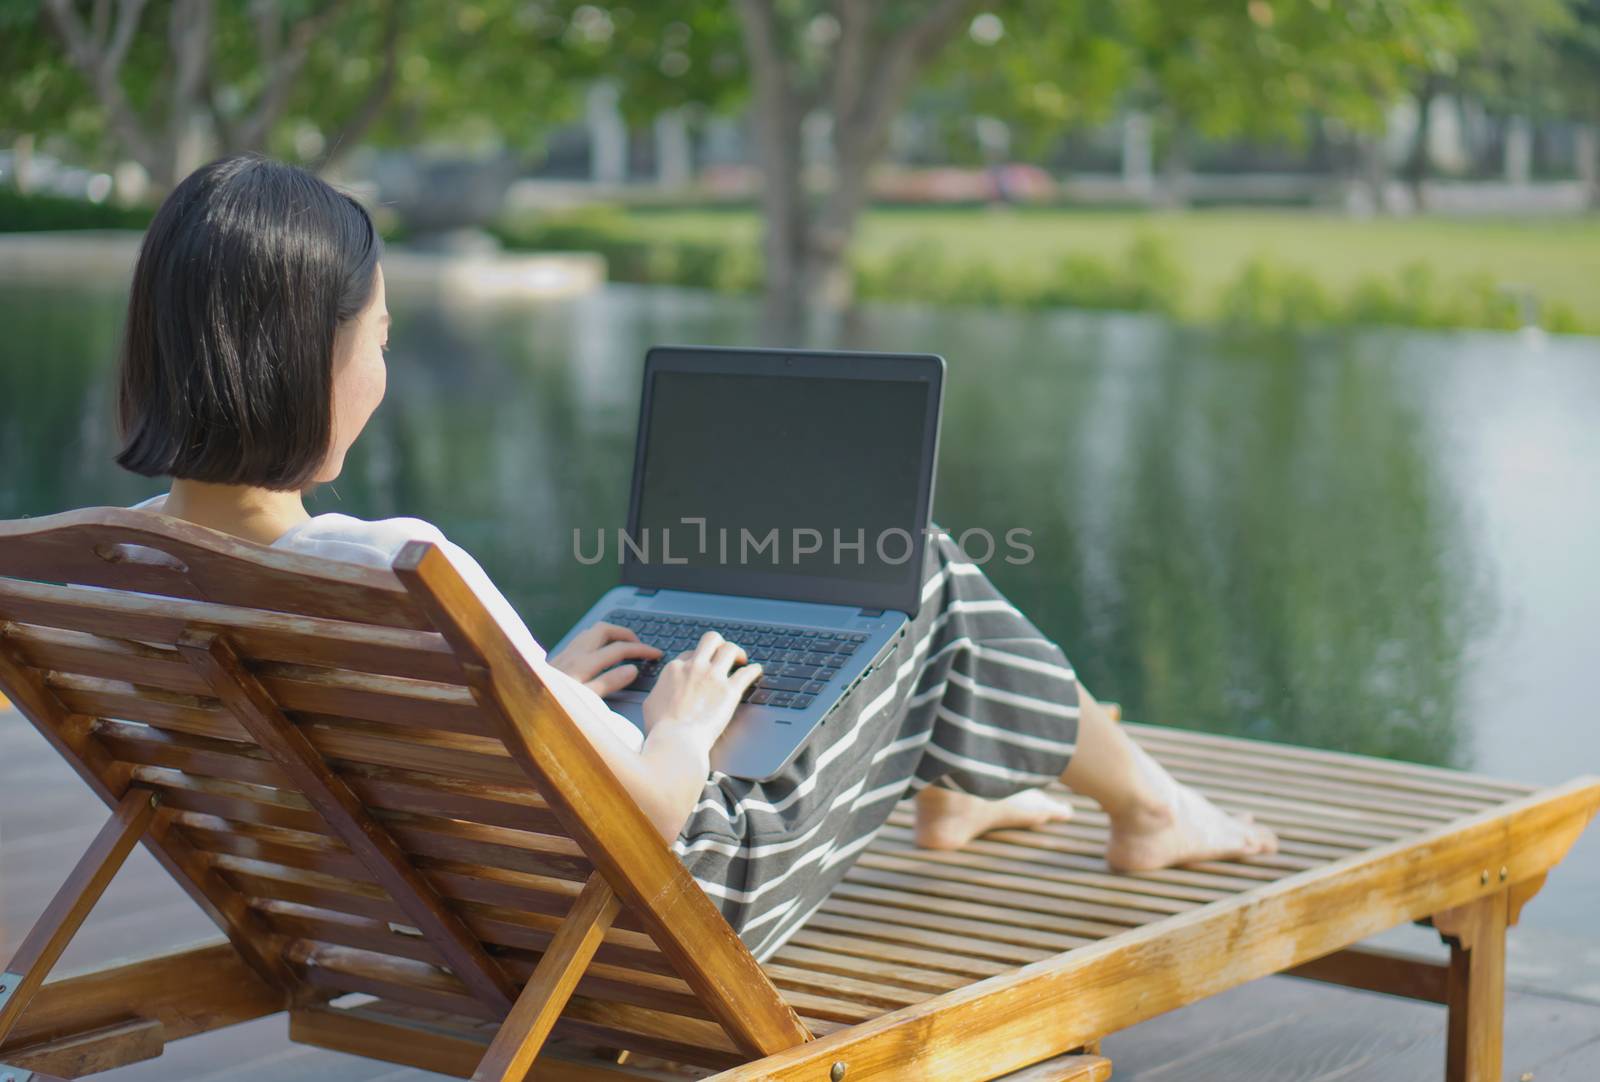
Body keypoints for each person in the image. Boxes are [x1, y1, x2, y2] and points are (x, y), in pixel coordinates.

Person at [113, 155, 1276, 962]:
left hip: (455, 920)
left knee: (813, 620)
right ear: (303, 362)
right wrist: (680, 722)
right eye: (378, 337)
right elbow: (656, 807)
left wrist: (541, 693)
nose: (381, 364)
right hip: (674, 905)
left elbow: (402, 769)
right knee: (911, 570)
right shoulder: (393, 563)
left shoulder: (124, 565)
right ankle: (1148, 805)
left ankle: (958, 782)